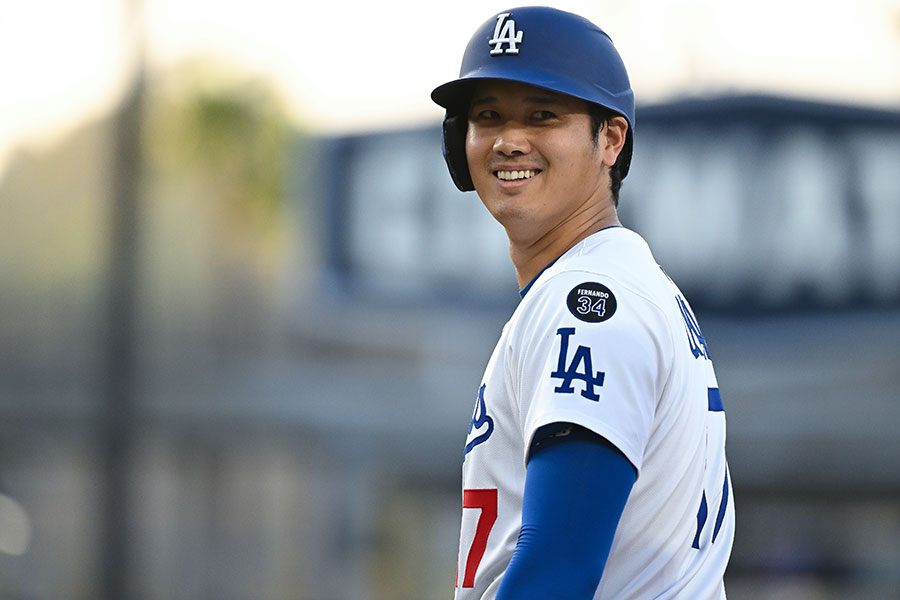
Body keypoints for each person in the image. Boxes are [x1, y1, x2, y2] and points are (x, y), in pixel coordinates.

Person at [431, 7, 734, 599]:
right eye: (488, 116)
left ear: (610, 140)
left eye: (541, 115)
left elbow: (559, 566)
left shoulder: (590, 301)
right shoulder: (619, 283)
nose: (508, 141)